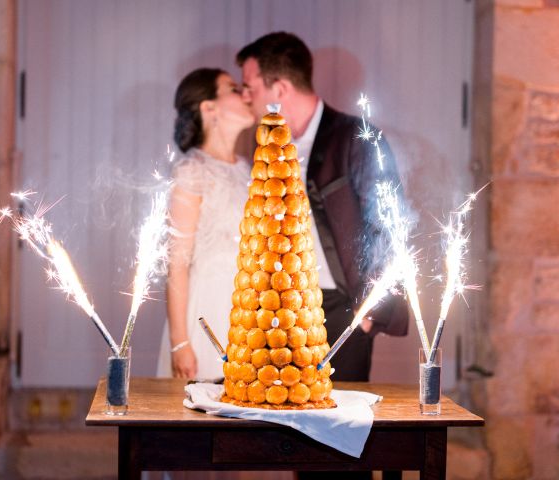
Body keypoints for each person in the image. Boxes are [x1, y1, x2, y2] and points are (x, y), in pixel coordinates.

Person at [236, 32, 409, 384]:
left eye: (250, 86)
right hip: (277, 309)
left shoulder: (356, 137)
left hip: (341, 308)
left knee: (338, 420)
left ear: (279, 89)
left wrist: (370, 313)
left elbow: (389, 225)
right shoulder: (263, 143)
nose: (244, 96)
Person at [156, 68, 255, 380]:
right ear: (209, 107)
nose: (246, 95)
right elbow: (177, 264)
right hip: (208, 311)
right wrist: (180, 343)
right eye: (234, 88)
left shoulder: (248, 168)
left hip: (249, 311)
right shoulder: (192, 171)